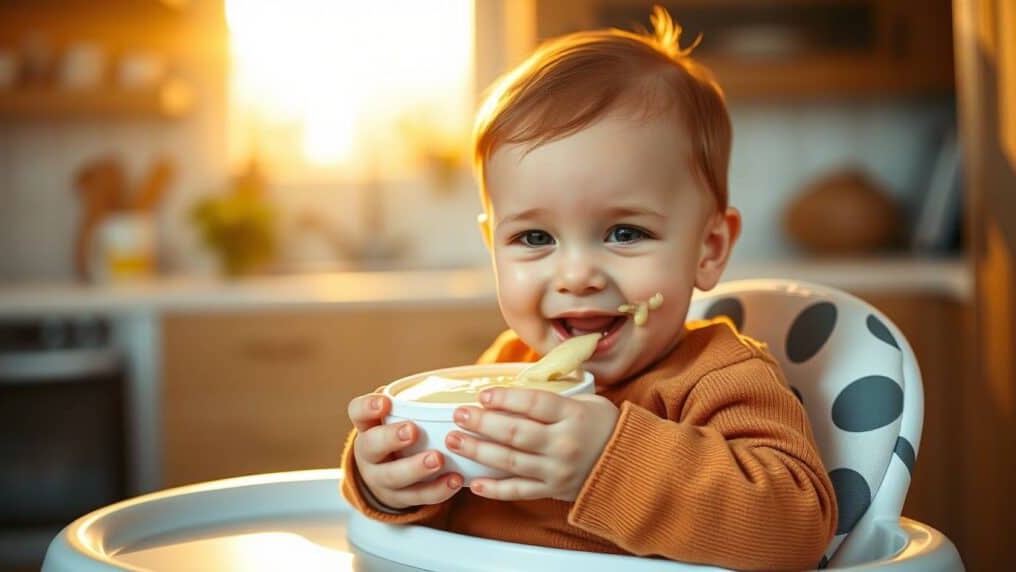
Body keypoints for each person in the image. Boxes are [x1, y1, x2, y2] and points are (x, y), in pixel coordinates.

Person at [340, 7, 837, 570]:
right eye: (534, 237)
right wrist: (393, 481)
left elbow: (794, 529)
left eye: (625, 232)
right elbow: (452, 509)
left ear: (710, 248)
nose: (576, 275)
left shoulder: (720, 378)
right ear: (492, 247)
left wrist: (610, 459)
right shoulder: (506, 368)